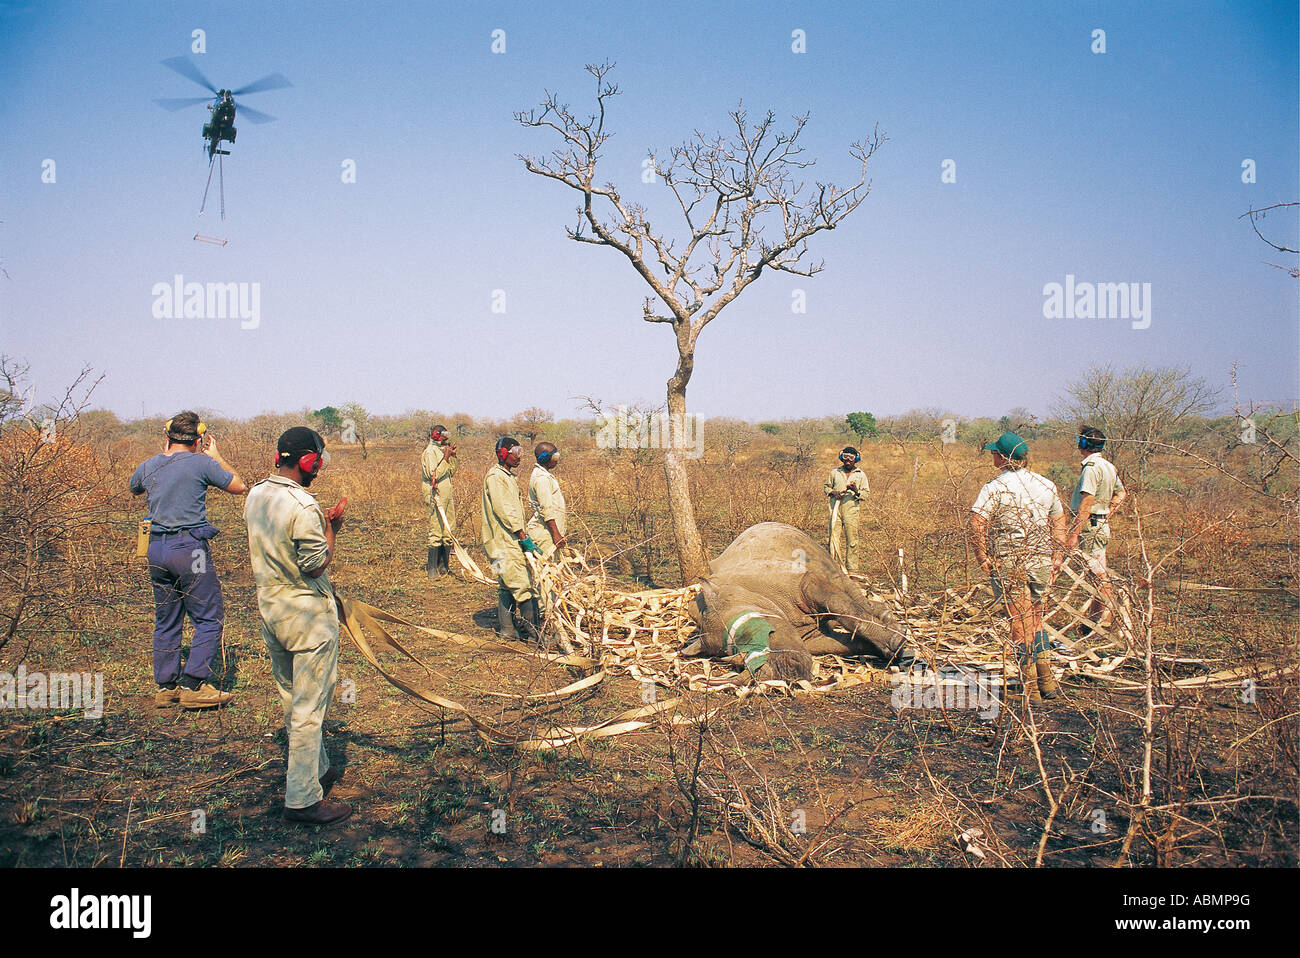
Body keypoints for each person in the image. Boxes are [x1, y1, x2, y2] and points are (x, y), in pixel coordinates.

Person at [245, 427, 351, 825]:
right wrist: (332, 530)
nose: (319, 468)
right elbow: (315, 564)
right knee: (310, 709)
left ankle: (316, 769)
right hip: (307, 617)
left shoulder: (257, 494)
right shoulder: (304, 506)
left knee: (293, 699)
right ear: (308, 460)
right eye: (318, 460)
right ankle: (303, 798)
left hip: (271, 611)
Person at [129, 411, 246, 709]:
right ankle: (194, 685)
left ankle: (166, 687)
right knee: (208, 616)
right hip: (190, 551)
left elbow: (134, 486)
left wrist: (162, 457)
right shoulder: (203, 462)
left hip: (157, 550)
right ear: (199, 440)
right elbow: (238, 486)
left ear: (167, 436)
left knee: (166, 618)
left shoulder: (150, 465)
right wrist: (216, 456)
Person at [968, 432, 1067, 705]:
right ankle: (1047, 682)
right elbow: (1059, 521)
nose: (992, 456)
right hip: (1041, 560)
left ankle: (1031, 689)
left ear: (1002, 457)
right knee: (1035, 618)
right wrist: (1057, 557)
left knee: (1018, 625)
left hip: (1010, 563)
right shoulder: (1046, 484)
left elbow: (977, 524)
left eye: (994, 452)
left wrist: (983, 558)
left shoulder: (995, 487)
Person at [480, 437, 542, 640]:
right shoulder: (496, 477)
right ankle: (535, 635)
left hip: (500, 542)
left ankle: (507, 630)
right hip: (503, 543)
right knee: (523, 585)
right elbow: (505, 511)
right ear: (503, 453)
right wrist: (523, 536)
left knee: (506, 584)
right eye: (515, 451)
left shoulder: (507, 476)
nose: (519, 457)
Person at [1066, 426, 1127, 632]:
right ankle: (1095, 619)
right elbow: (1121, 494)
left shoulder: (1091, 467)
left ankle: (1105, 619)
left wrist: (1074, 533)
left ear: (1084, 444)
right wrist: (1107, 513)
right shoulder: (1108, 466)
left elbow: (1088, 500)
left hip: (1090, 527)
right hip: (1098, 523)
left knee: (1099, 575)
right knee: (1098, 573)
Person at [421, 423, 458, 578]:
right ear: (436, 435)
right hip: (435, 494)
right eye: (443, 435)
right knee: (436, 530)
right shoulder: (430, 452)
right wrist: (446, 457)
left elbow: (450, 471)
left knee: (448, 530)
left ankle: (444, 566)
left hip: (446, 495)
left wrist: (453, 457)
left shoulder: (441, 450)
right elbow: (432, 475)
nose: (445, 438)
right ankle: (432, 570)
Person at [824, 446, 868, 573]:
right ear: (841, 458)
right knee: (832, 539)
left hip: (851, 511)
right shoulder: (834, 473)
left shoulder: (861, 475)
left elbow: (865, 495)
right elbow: (826, 487)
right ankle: (833, 568)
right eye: (845, 457)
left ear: (856, 459)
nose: (848, 461)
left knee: (852, 541)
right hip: (835, 510)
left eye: (851, 458)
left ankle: (852, 570)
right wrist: (833, 492)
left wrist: (856, 491)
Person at [525, 441, 567, 559]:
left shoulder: (543, 474)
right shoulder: (542, 478)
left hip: (547, 531)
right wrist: (556, 534)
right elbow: (546, 508)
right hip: (544, 533)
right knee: (546, 569)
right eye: (555, 457)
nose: (557, 460)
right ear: (545, 458)